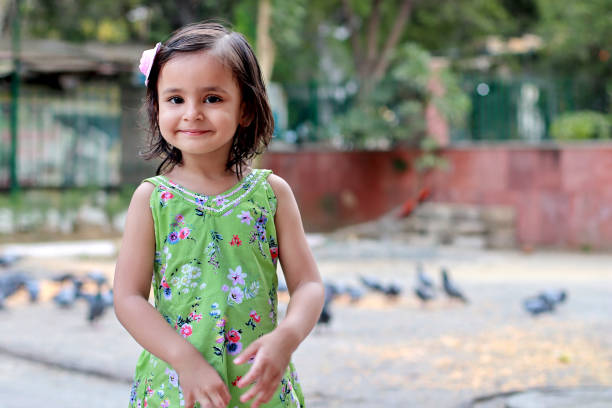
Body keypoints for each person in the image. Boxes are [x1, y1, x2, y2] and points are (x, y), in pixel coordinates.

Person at [114, 22, 324, 408]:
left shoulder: (270, 194)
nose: (192, 113)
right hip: (178, 387)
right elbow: (128, 297)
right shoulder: (152, 200)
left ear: (244, 109)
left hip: (258, 384)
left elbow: (309, 285)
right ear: (156, 107)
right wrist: (184, 360)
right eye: (175, 99)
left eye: (212, 98)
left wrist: (286, 338)